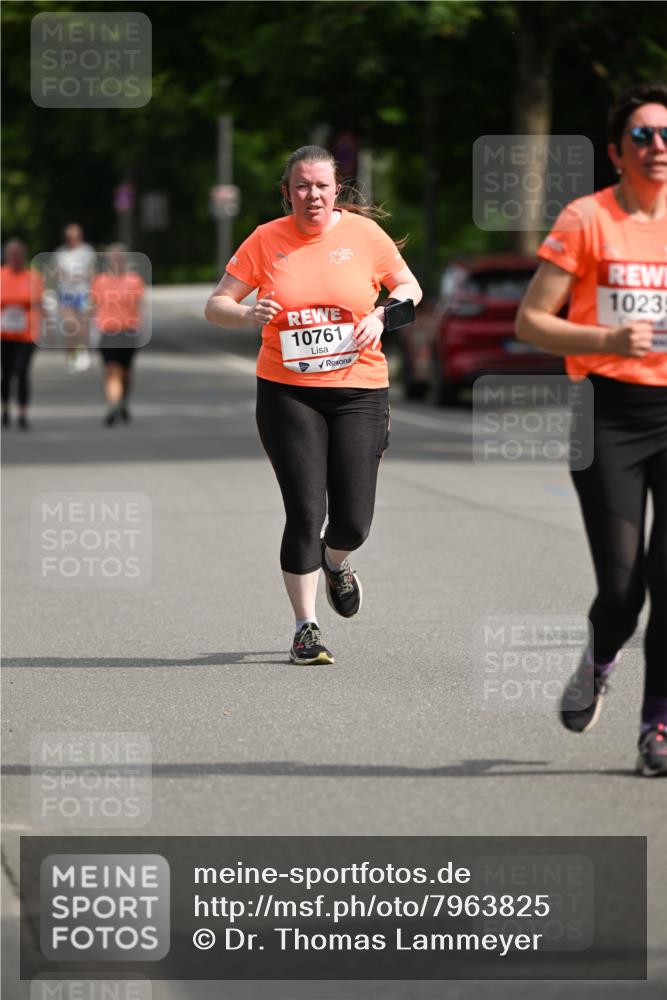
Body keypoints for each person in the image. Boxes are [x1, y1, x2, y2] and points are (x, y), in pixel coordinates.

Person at [205, 145, 422, 665]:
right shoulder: (265, 240)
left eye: (322, 185)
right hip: (287, 391)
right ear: (287, 193)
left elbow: (410, 288)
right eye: (301, 186)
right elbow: (216, 305)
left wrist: (383, 317)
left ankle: (334, 560)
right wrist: (246, 313)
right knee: (305, 511)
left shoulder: (364, 236)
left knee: (353, 522)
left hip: (360, 390)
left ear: (337, 190)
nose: (312, 195)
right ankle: (306, 628)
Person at [516, 81, 667, 777]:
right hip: (604, 411)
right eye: (641, 135)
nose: (656, 146)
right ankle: (600, 657)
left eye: (665, 135)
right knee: (621, 590)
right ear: (615, 152)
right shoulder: (585, 219)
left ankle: (656, 725)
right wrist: (607, 336)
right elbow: (530, 322)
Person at [90, 244, 145, 425]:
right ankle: (112, 406)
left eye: (119, 258)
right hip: (108, 332)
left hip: (128, 331)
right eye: (112, 259)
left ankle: (123, 402)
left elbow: (139, 306)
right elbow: (92, 305)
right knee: (111, 370)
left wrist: (140, 327)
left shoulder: (134, 281)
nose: (116, 262)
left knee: (125, 373)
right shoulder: (100, 281)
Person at [1, 238, 43, 430]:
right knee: (6, 374)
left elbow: (40, 304)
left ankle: (23, 413)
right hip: (4, 334)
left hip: (27, 334)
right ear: (7, 256)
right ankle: (5, 409)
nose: (15, 258)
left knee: (22, 372)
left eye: (18, 254)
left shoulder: (33, 277)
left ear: (24, 256)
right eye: (12, 254)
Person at [53, 223, 96, 372]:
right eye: (69, 237)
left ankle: (82, 350)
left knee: (83, 326)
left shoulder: (87, 251)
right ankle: (71, 355)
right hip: (66, 292)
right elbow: (57, 273)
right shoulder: (60, 253)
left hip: (83, 291)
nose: (72, 239)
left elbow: (91, 273)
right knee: (70, 326)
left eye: (75, 237)